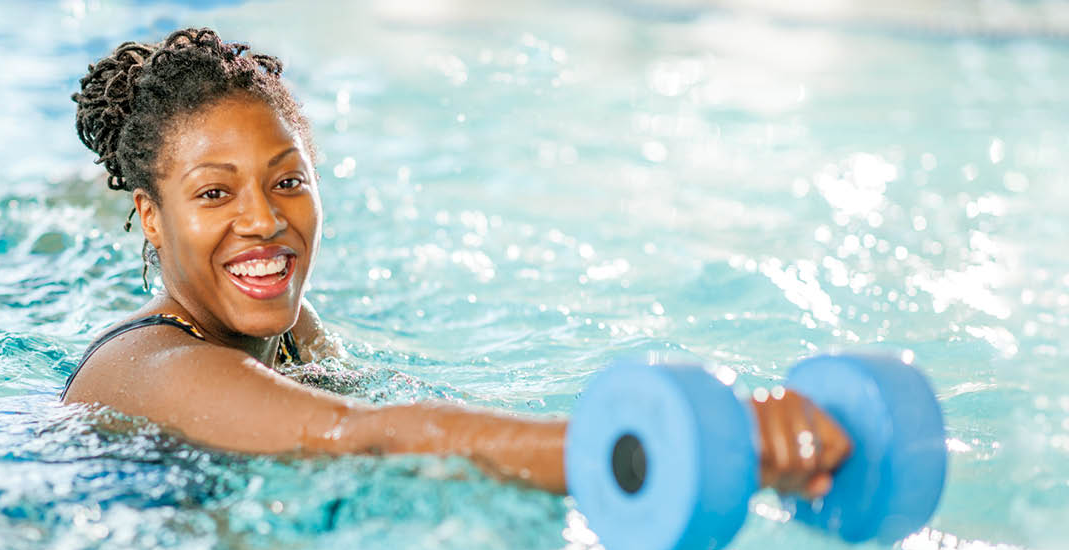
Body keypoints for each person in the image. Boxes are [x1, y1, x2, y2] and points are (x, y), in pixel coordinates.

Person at [63, 28, 850, 500]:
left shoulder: (292, 332)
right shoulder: (159, 364)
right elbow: (359, 435)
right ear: (150, 219)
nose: (264, 220)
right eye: (213, 193)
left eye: (288, 181)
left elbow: (410, 417)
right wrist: (684, 442)